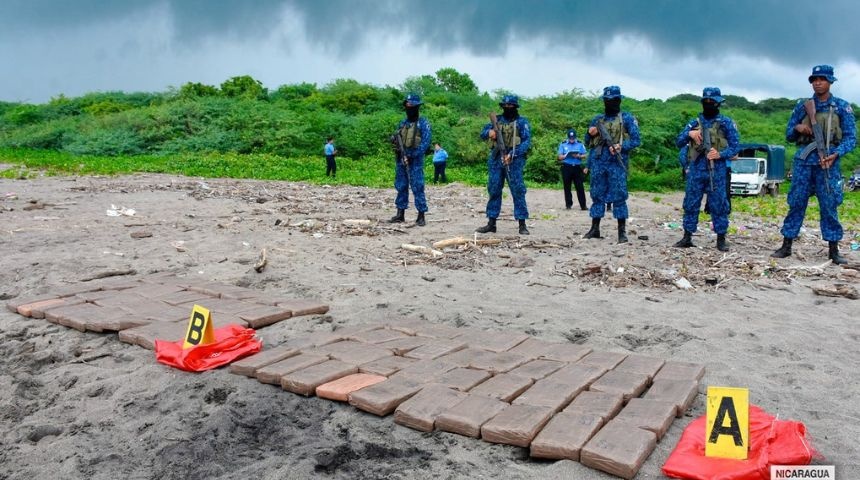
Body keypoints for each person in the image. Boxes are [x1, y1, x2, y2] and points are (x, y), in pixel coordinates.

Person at [772, 65, 855, 264]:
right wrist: (799, 127)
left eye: (822, 79)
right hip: (804, 162)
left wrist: (836, 154)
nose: (817, 83)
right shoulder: (803, 105)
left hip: (828, 163)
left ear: (831, 81)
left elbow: (851, 139)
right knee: (796, 203)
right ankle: (786, 245)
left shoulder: (842, 107)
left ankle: (833, 250)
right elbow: (789, 135)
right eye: (814, 79)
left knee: (829, 205)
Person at [673, 87, 740, 251]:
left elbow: (736, 147)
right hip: (696, 169)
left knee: (719, 205)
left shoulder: (726, 123)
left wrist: (720, 154)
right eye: (706, 101)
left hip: (717, 170)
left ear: (718, 103)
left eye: (712, 102)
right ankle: (687, 237)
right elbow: (678, 141)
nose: (709, 104)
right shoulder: (694, 123)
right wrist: (690, 134)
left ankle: (721, 239)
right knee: (691, 203)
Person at [582, 85, 641, 243]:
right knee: (597, 194)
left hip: (617, 163)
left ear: (619, 100)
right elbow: (587, 142)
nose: (610, 103)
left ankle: (622, 232)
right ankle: (595, 228)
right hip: (599, 161)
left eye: (613, 100)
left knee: (619, 196)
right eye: (607, 100)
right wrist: (589, 133)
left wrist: (622, 146)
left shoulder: (627, 118)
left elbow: (636, 140)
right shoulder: (597, 119)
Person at [476, 94, 532, 235]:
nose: (507, 108)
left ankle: (522, 224)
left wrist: (512, 154)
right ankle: (491, 223)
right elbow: (482, 134)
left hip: (514, 160)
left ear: (515, 107)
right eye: (505, 106)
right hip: (496, 159)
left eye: (510, 106)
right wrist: (489, 133)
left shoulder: (521, 122)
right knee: (494, 189)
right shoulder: (498, 120)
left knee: (518, 190)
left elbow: (526, 141)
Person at [389, 93, 431, 227]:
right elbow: (398, 138)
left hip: (415, 161)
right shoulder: (403, 123)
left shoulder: (423, 123)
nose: (409, 108)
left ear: (417, 107)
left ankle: (421, 215)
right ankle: (400, 213)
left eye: (411, 106)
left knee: (418, 187)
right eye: (407, 105)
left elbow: (425, 143)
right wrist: (394, 141)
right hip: (401, 159)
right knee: (401, 185)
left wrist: (412, 155)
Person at [557, 129, 588, 210]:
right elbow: (559, 157)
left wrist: (579, 156)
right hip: (567, 166)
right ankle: (568, 204)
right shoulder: (563, 144)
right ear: (568, 137)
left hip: (577, 167)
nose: (572, 140)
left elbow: (585, 155)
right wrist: (564, 156)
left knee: (580, 187)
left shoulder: (580, 144)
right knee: (567, 186)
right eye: (570, 138)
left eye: (573, 138)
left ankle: (583, 205)